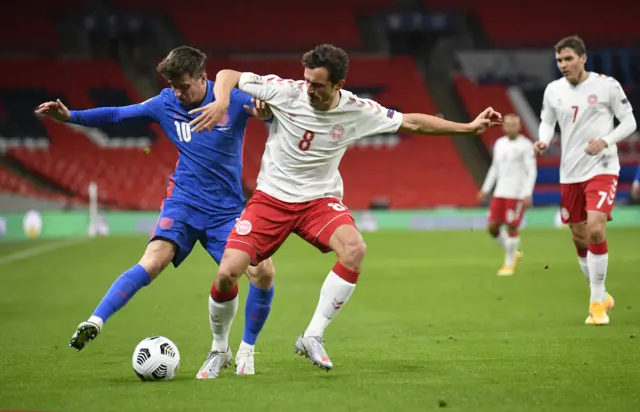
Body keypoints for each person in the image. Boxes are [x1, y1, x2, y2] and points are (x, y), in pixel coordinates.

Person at [186, 44, 502, 373]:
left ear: (339, 84)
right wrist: (222, 99)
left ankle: (312, 335)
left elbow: (412, 122)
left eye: (317, 84)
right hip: (271, 199)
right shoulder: (286, 91)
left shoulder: (357, 110)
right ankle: (220, 348)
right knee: (226, 274)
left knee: (354, 249)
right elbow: (228, 75)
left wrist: (468, 128)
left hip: (318, 201)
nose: (309, 88)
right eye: (307, 80)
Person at [35, 46, 276, 377]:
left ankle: (246, 348)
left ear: (203, 78)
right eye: (173, 86)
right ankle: (96, 320)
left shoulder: (232, 101)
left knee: (261, 273)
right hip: (184, 203)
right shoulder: (166, 103)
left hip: (227, 210)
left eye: (184, 85)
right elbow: (119, 114)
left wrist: (268, 113)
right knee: (152, 261)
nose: (178, 92)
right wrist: (71, 116)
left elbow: (278, 110)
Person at [533, 36, 637, 325]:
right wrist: (543, 141)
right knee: (578, 237)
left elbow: (629, 122)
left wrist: (605, 141)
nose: (563, 65)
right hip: (570, 172)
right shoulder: (553, 90)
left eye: (568, 59)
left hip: (602, 167)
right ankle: (602, 294)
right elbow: (547, 122)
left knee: (594, 229)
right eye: (559, 61)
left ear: (583, 58)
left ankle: (596, 305)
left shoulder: (607, 85)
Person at [478, 114, 537, 276]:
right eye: (508, 124)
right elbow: (495, 167)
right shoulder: (499, 144)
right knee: (492, 227)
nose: (511, 127)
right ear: (504, 126)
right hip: (500, 192)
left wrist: (527, 193)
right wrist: (486, 188)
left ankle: (509, 263)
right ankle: (512, 251)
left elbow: (531, 170)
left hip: (516, 194)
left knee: (512, 226)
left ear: (519, 126)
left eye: (514, 124)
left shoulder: (526, 146)